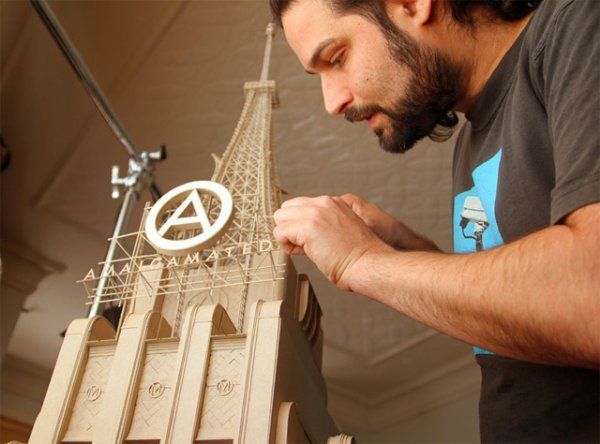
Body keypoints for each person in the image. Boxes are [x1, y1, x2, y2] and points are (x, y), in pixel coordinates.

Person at [269, 0, 600, 441]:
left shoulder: (577, 24)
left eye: (337, 57)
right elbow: (519, 318)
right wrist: (409, 251)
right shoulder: (469, 143)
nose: (333, 102)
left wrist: (362, 261)